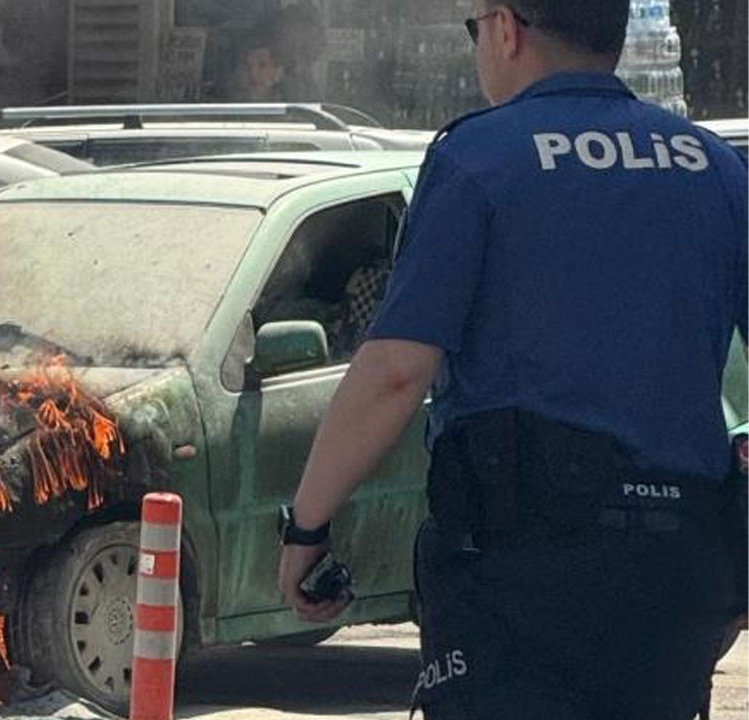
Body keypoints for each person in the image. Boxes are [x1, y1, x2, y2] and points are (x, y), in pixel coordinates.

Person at [275, 0, 748, 718]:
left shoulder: (478, 158)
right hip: (676, 574)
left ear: (506, 27)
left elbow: (398, 370)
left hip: (521, 571)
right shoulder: (711, 166)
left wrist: (307, 528)